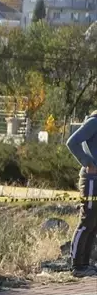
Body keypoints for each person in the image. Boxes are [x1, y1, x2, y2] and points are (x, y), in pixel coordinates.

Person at [66, 110, 97, 276]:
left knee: (94, 224)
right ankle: (77, 265)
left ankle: (85, 264)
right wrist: (88, 162)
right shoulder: (93, 122)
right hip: (91, 179)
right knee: (87, 221)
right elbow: (72, 142)